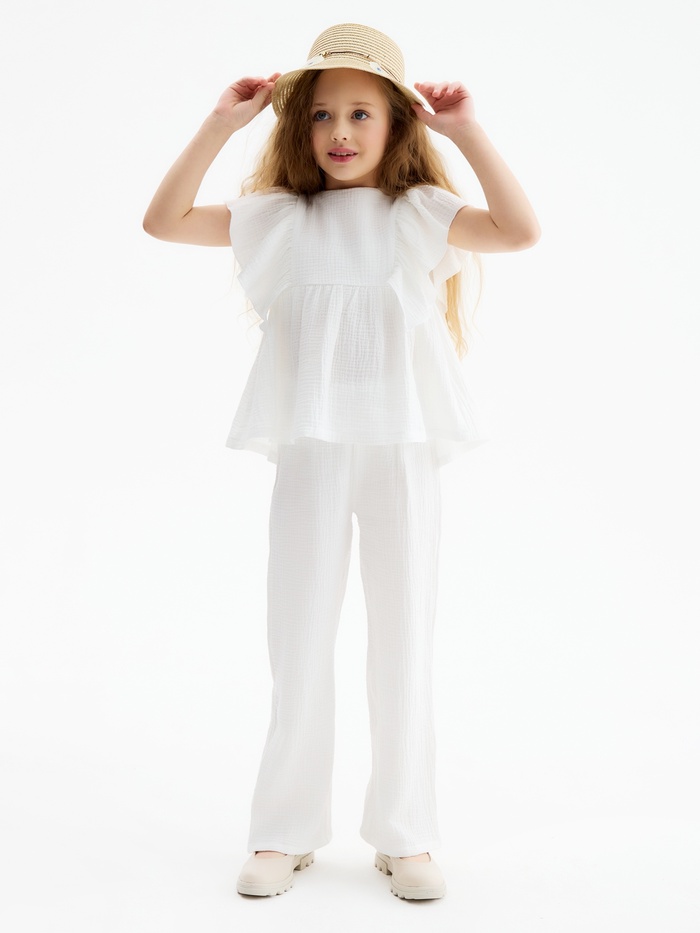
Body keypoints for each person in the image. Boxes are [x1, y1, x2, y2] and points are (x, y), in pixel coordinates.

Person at [143, 22, 540, 900]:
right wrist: (220, 124)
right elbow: (162, 221)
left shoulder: (418, 213)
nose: (340, 132)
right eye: (322, 114)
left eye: (362, 112)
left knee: (404, 640)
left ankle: (407, 832)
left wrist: (467, 133)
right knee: (299, 639)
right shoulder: (282, 218)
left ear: (397, 123)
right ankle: (284, 829)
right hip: (311, 450)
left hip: (400, 447)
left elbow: (519, 231)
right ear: (301, 126)